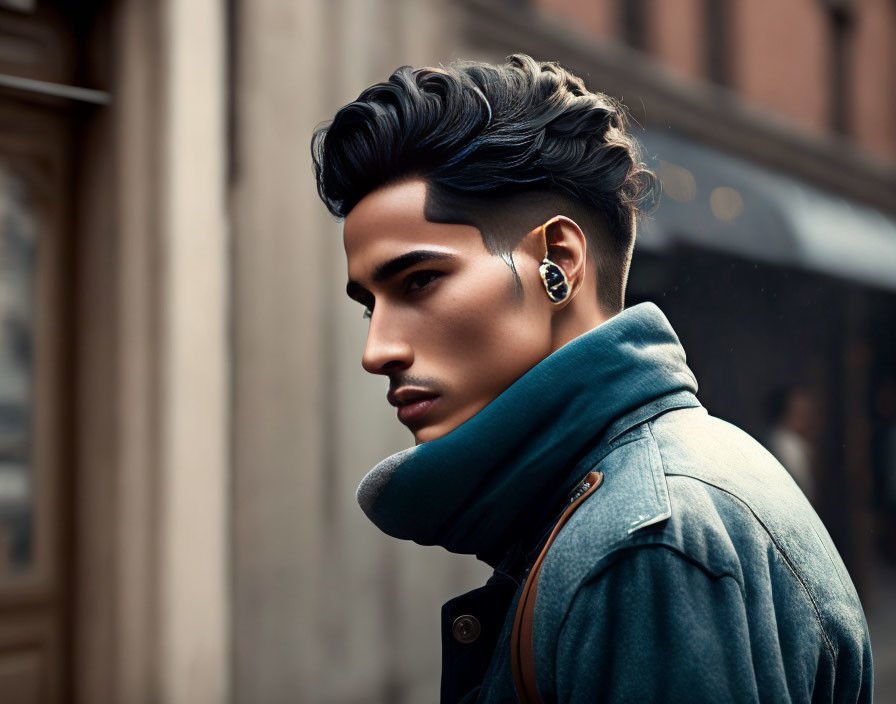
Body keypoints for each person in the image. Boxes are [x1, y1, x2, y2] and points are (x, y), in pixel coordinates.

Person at [311, 54, 872, 703]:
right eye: (368, 306)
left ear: (559, 263)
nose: (376, 350)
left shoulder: (645, 545)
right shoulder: (671, 484)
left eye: (420, 282)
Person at [764, 385, 820, 505]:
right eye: (801, 414)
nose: (808, 420)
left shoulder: (782, 440)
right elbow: (803, 490)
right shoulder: (787, 445)